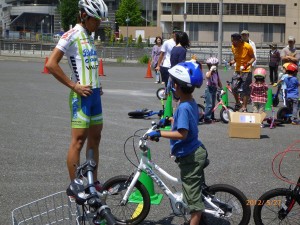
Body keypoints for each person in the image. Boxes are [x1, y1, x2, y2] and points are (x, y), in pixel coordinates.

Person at [46, 0, 108, 188]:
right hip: (81, 96)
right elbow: (51, 64)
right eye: (95, 20)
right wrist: (74, 86)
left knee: (95, 139)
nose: (98, 24)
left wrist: (97, 84)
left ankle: (93, 181)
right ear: (83, 15)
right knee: (78, 141)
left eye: (100, 21)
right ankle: (75, 186)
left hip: (95, 94)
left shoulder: (89, 36)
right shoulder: (71, 35)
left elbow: (86, 64)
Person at [148, 61, 207, 225]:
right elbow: (186, 122)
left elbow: (182, 133)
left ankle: (196, 220)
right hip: (194, 151)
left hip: (190, 157)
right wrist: (169, 119)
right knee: (193, 189)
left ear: (177, 85)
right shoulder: (189, 103)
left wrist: (160, 133)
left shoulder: (182, 107)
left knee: (193, 198)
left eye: (172, 83)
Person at [229, 33, 256, 112]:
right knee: (234, 87)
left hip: (246, 70)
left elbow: (253, 58)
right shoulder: (233, 47)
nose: (233, 43)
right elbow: (236, 58)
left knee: (245, 89)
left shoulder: (247, 46)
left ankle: (244, 106)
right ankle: (238, 103)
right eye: (232, 41)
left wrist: (248, 64)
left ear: (240, 40)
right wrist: (232, 61)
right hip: (237, 70)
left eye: (234, 41)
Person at [203, 57, 223, 124]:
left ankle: (212, 117)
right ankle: (206, 118)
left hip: (214, 89)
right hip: (209, 89)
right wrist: (211, 70)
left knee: (213, 105)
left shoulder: (216, 73)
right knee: (209, 104)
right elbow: (207, 76)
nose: (214, 67)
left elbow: (219, 81)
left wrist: (221, 89)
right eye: (212, 66)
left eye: (215, 66)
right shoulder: (208, 72)